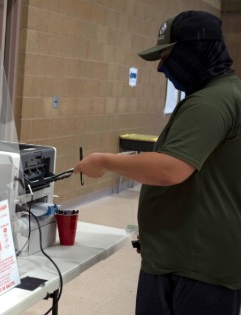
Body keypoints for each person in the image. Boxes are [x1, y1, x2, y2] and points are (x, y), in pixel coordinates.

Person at [74, 11, 241, 314]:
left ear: (194, 51)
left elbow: (170, 169)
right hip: (195, 257)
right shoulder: (227, 94)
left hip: (192, 268)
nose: (162, 68)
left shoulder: (209, 102)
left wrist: (104, 161)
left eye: (167, 56)